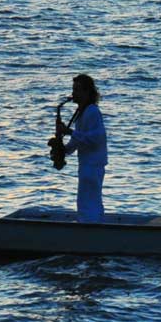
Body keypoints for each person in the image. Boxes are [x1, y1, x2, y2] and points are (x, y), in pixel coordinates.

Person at [58, 74, 107, 222]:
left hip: (92, 165)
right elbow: (78, 140)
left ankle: (89, 230)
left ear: (87, 92)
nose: (73, 94)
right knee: (89, 201)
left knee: (88, 203)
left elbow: (95, 139)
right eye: (73, 90)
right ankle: (92, 227)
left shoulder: (92, 112)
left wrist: (69, 132)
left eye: (77, 90)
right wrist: (64, 149)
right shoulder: (84, 112)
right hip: (88, 164)